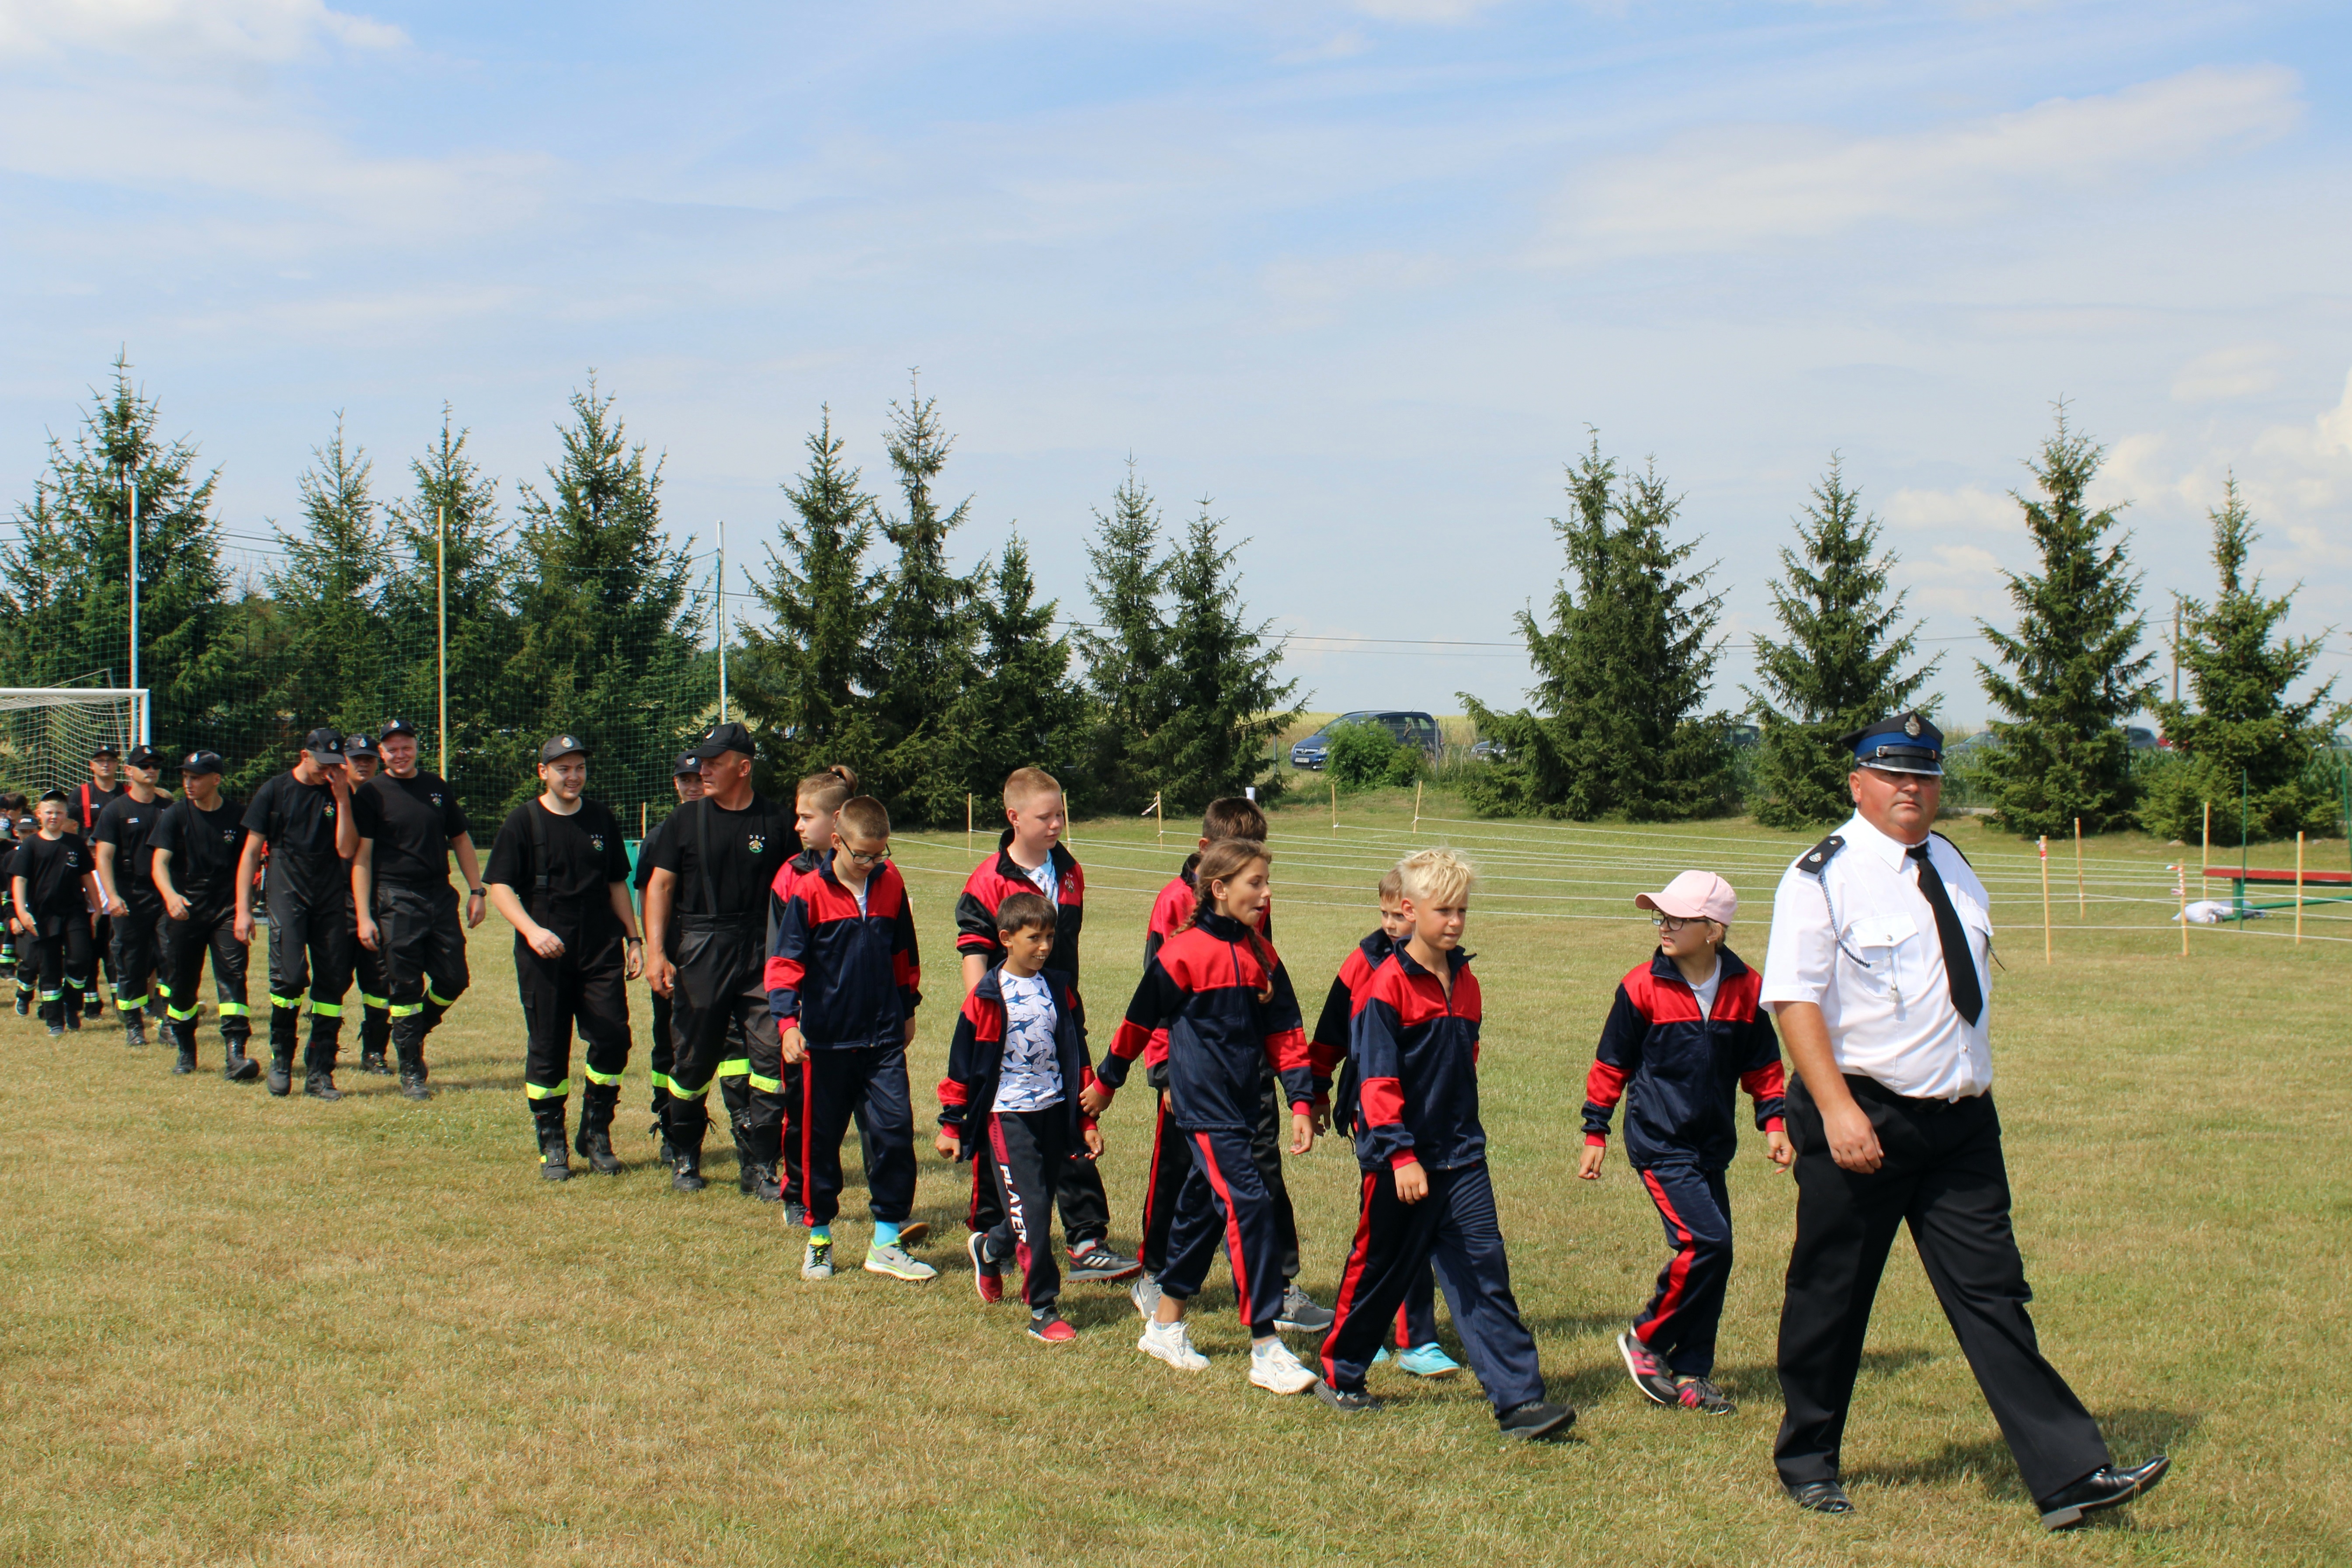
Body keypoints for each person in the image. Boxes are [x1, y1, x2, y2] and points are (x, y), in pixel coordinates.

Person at [1762, 712, 2170, 1529]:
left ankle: (2069, 1476)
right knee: (1833, 1294)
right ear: (1858, 784)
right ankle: (1807, 1459)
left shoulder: (1950, 861)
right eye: (1892, 773)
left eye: (1925, 774)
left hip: (1960, 1121)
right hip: (1863, 1113)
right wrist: (1837, 1109)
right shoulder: (1821, 876)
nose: (1911, 788)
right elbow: (1794, 998)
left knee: (1993, 1294)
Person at [1313, 847, 1573, 1440]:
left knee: (1485, 1272)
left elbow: (1466, 1064)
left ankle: (1520, 1400)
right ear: (1408, 909)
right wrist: (1401, 1154)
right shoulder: (1386, 986)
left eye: (1462, 909)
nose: (1455, 921)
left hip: (1463, 1157)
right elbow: (1377, 1080)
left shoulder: (1469, 981)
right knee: (1381, 1268)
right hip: (1401, 1160)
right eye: (1443, 909)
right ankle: (1341, 1371)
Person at [1091, 838, 1321, 1396]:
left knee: (1201, 1211)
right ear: (1218, 889)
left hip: (1247, 1104)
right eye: (1255, 883)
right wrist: (1105, 1082)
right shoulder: (1182, 952)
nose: (1266, 894)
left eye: (1267, 883)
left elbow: (1285, 1032)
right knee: (1249, 1203)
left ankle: (1164, 1324)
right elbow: (1136, 1023)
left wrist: (1300, 1100)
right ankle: (1265, 1344)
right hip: (1203, 1107)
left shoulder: (1263, 955)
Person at [1577, 869, 1790, 1415]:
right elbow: (1611, 1063)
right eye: (1661, 916)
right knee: (1706, 1244)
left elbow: (1762, 1064)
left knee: (1716, 1255)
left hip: (1711, 1143)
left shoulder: (1747, 987)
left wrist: (1774, 1122)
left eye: (1676, 918)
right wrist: (1594, 1129)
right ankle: (1646, 1337)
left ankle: (1694, 1372)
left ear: (1713, 928)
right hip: (1659, 1139)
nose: (1663, 926)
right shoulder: (1640, 986)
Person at [954, 768, 1138, 1284]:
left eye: (1061, 813)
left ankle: (1086, 1239)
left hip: (1062, 1020)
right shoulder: (987, 879)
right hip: (1003, 1032)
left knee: (1071, 1118)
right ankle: (994, 1232)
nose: (1057, 823)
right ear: (1013, 817)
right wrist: (985, 1020)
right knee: (1005, 1131)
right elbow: (973, 949)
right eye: (1045, 816)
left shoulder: (1071, 871)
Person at [765, 793, 934, 1283]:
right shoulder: (807, 892)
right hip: (824, 1043)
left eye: (881, 854)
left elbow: (904, 950)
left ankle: (885, 1241)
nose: (872, 864)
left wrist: (907, 1010)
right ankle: (819, 1237)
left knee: (894, 1133)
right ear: (836, 841)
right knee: (820, 1143)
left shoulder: (889, 883)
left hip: (882, 1039)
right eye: (863, 855)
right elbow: (784, 964)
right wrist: (787, 1024)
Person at [1305, 866, 1456, 1379]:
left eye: (1401, 914)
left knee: (1419, 1232)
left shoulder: (1445, 968)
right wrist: (1319, 1087)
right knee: (1380, 1234)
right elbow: (1329, 1030)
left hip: (1432, 1122)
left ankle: (1417, 1339)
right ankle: (1356, 1336)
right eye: (1386, 914)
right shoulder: (1363, 962)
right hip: (1376, 1119)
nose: (1393, 924)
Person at [936, 892, 1101, 1341]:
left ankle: (989, 1249)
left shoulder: (1059, 987)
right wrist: (951, 1123)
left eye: (1050, 936)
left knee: (1033, 1206)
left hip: (1053, 1111)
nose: (1045, 946)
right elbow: (961, 1064)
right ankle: (1043, 1308)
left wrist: (1086, 1119)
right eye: (1034, 938)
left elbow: (1076, 1052)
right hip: (1007, 1115)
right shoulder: (986, 996)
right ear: (1006, 939)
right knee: (1032, 1209)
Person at [640, 721, 796, 1196]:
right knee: (691, 1059)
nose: (703, 770)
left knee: (770, 1060)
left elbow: (799, 885)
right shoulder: (683, 821)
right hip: (702, 945)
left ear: (743, 767)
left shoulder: (776, 821)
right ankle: (685, 1153)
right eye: (701, 762)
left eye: (714, 762)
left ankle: (762, 1162)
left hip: (761, 947)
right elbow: (659, 886)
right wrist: (655, 951)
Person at [486, 734, 643, 1180]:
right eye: (562, 768)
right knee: (548, 1047)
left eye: (578, 768)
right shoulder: (523, 821)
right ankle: (551, 1140)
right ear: (543, 772)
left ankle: (595, 1132)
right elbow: (500, 885)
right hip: (545, 948)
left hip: (598, 945)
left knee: (613, 1037)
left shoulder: (600, 819)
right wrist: (532, 931)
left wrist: (633, 938)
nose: (572, 776)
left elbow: (617, 883)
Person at [352, 719, 483, 1099]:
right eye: (391, 748)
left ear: (416, 746)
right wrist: (364, 914)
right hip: (396, 897)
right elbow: (362, 857)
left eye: (405, 746)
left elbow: (460, 838)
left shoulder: (436, 788)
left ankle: (413, 1028)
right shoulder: (371, 794)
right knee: (405, 985)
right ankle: (412, 1069)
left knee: (454, 978)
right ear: (381, 753)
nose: (399, 754)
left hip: (439, 895)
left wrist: (477, 891)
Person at [235, 728, 359, 1099]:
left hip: (330, 896)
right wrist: (243, 909)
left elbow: (346, 848)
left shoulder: (339, 791)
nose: (329, 771)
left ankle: (321, 1071)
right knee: (289, 980)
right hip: (288, 893)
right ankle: (282, 1058)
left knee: (332, 983)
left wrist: (342, 799)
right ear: (304, 755)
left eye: (336, 765)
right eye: (323, 764)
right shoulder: (275, 791)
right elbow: (251, 852)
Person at [151, 751, 257, 1081]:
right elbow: (159, 863)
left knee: (233, 978)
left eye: (196, 777)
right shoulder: (174, 814)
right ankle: (186, 1050)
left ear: (216, 779)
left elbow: (248, 864)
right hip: (186, 912)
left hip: (227, 910)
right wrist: (171, 897)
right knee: (183, 984)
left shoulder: (239, 815)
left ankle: (236, 1055)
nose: (189, 783)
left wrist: (244, 910)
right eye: (186, 776)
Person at [636, 752, 703, 1158]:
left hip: (718, 955)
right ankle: (669, 1120)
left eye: (699, 778)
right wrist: (654, 951)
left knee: (727, 1046)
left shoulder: (724, 826)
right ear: (675, 783)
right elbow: (648, 894)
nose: (693, 786)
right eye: (686, 780)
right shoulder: (661, 834)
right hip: (675, 953)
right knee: (669, 1042)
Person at [90, 745, 173, 1049]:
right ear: (129, 771)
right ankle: (135, 1025)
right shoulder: (116, 810)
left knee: (171, 958)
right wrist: (112, 896)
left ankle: (169, 1023)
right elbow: (104, 857)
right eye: (144, 765)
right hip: (129, 895)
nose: (150, 770)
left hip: (164, 894)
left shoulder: (169, 807)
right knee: (131, 961)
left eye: (155, 765)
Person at [13, 790, 103, 1038]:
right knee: (50, 968)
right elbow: (20, 881)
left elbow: (88, 878)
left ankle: (72, 1005)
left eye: (59, 812)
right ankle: (54, 1020)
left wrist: (97, 909)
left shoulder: (75, 843)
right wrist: (21, 912)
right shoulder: (31, 844)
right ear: (39, 814)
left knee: (81, 959)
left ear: (66, 816)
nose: (54, 817)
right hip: (44, 915)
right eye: (49, 812)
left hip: (75, 912)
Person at [340, 734, 393, 1073]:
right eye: (355, 757)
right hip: (334, 901)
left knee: (380, 979)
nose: (362, 763)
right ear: (343, 760)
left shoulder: (386, 796)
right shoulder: (330, 796)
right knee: (333, 978)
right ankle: (322, 1050)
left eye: (368, 758)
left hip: (381, 898)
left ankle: (374, 1050)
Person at [76, 744, 127, 1019]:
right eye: (100, 760)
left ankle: (123, 999)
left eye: (110, 760)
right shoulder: (81, 794)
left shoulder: (127, 793)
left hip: (119, 876)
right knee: (88, 948)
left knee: (116, 948)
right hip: (89, 875)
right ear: (91, 765)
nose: (106, 764)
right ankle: (91, 1001)